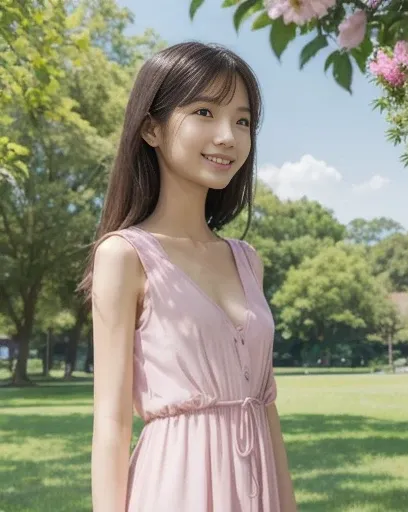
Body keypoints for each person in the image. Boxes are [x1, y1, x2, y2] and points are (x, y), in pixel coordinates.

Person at [78, 42, 297, 511]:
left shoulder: (246, 260)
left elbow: (265, 403)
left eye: (242, 121)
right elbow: (112, 422)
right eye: (204, 111)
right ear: (151, 128)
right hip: (176, 487)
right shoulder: (124, 255)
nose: (228, 136)